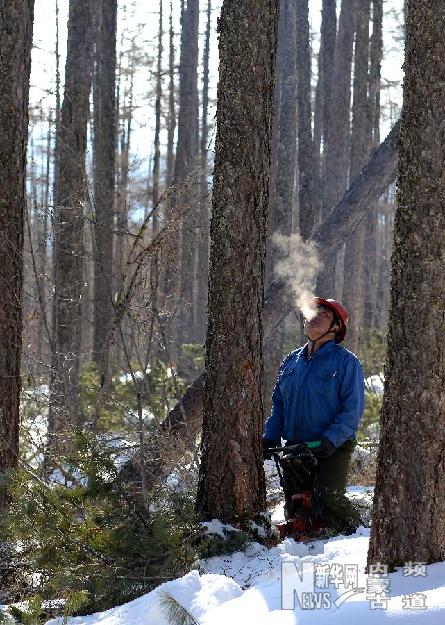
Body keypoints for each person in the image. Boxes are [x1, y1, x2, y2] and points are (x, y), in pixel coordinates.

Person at [263, 297, 365, 536]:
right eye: (313, 311)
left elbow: (352, 410)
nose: (315, 316)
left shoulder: (346, 362)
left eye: (324, 315)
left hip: (333, 445)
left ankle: (358, 536)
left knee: (328, 498)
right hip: (296, 446)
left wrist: (330, 440)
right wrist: (270, 436)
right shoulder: (290, 361)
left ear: (336, 327)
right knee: (295, 508)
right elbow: (279, 403)